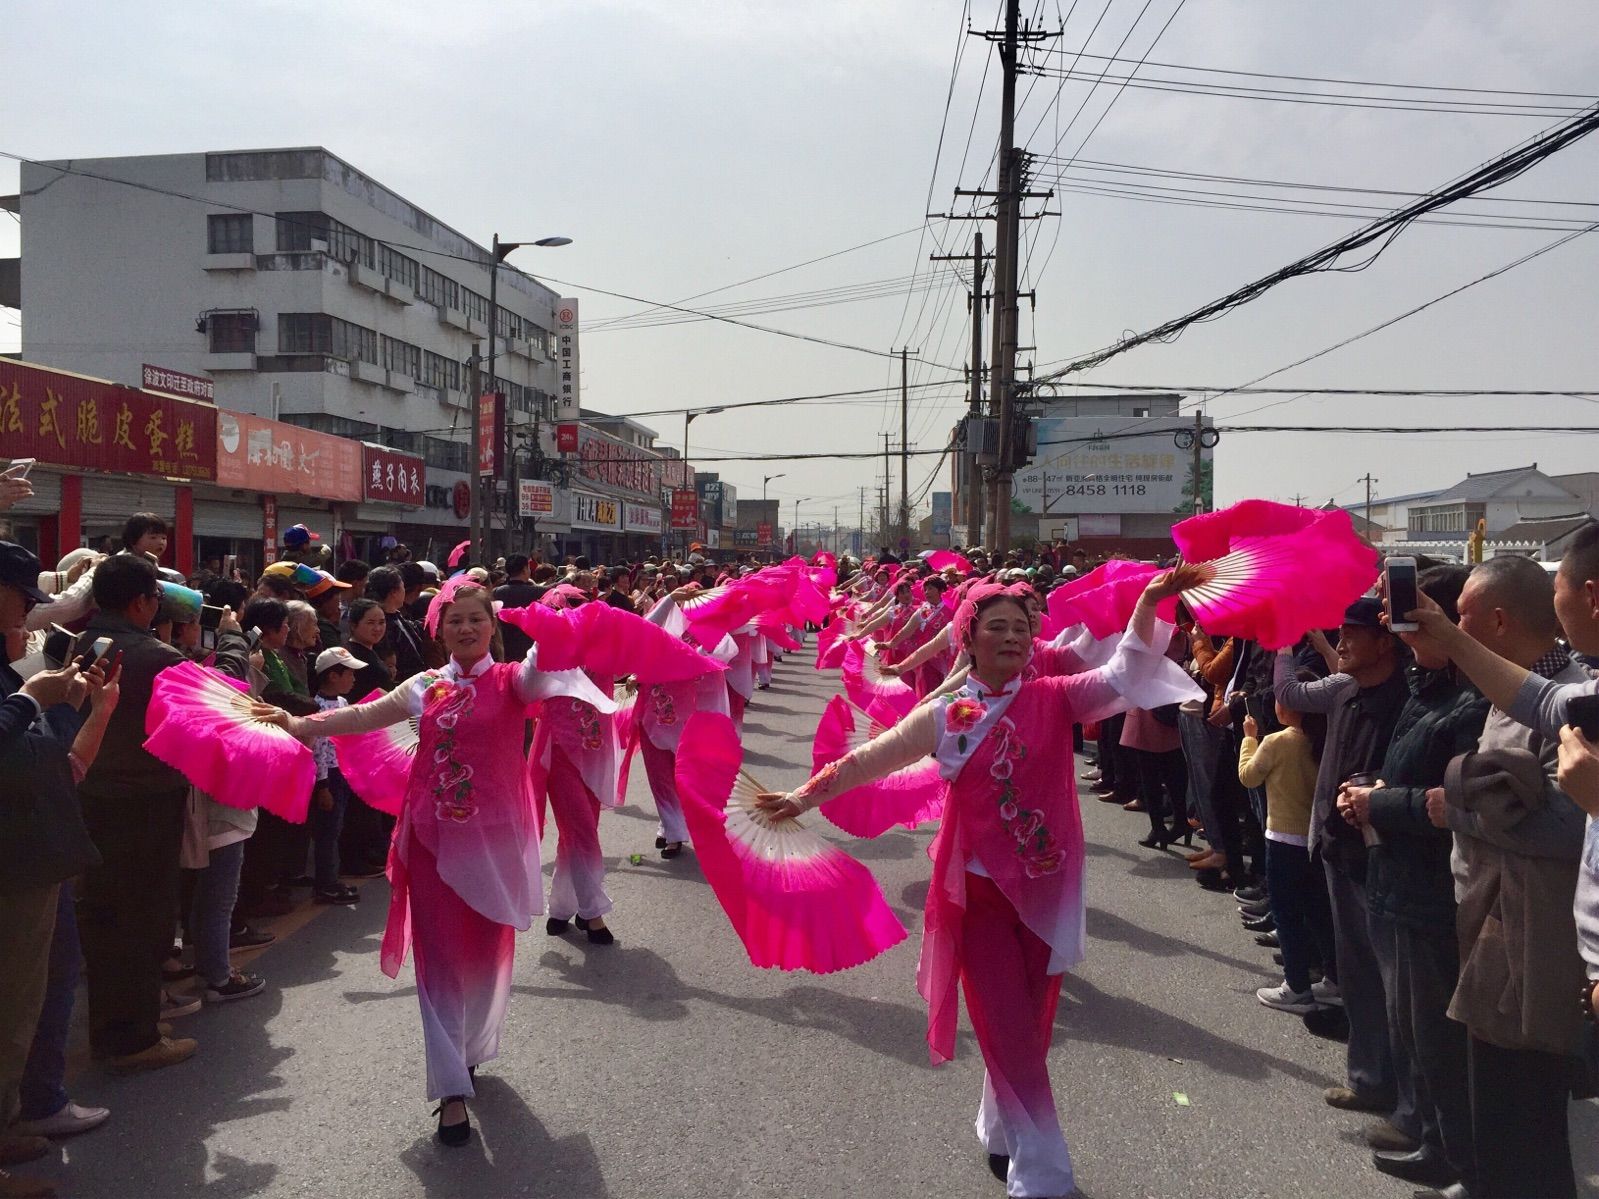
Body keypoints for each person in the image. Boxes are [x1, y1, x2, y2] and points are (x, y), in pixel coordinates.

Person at [758, 571, 1203, 1199]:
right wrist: (800, 798)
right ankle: (1044, 1176)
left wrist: (1152, 602)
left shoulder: (1054, 696)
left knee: (1030, 1026)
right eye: (997, 627)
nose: (1013, 638)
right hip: (979, 895)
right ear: (968, 638)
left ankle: (999, 1129)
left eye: (1022, 628)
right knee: (1007, 1023)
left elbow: (1125, 674)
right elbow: (869, 759)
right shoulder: (950, 712)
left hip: (1046, 892)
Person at [257, 580, 615, 1146]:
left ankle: (470, 1050)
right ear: (438, 632)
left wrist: (547, 623)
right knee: (440, 958)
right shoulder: (425, 686)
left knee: (487, 953)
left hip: (495, 845)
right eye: (455, 622)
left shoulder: (514, 682)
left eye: (476, 619)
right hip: (430, 840)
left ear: (492, 627)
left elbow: (546, 664)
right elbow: (362, 717)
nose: (466, 628)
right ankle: (450, 1089)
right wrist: (298, 724)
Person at [1400, 553, 1590, 1199]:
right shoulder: (1524, 687)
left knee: (1525, 1119)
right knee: (1496, 1105)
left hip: (1533, 931)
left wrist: (1455, 809)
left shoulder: (1576, 694)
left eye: (1460, 616)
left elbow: (1567, 826)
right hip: (1487, 911)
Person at [1333, 565, 1488, 1191]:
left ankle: (1451, 1148)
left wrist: (1384, 804)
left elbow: (1454, 803)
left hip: (1431, 886)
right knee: (1411, 1024)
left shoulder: (1475, 699)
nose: (1398, 624)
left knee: (1437, 1034)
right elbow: (1411, 780)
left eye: (1413, 611)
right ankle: (1429, 1135)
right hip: (1393, 872)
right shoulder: (1427, 688)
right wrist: (1374, 794)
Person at [1273, 598, 1416, 1153]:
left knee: (1396, 985)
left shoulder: (1407, 696)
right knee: (1357, 973)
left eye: (1353, 634)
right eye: (1340, 633)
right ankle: (1369, 1078)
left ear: (1387, 641)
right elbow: (1289, 695)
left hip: (1384, 856)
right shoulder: (1342, 689)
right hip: (1337, 847)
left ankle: (1409, 1103)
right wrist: (1286, 637)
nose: (1344, 642)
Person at [0, 543, 118, 1192]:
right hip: (14, 863)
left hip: (34, 854)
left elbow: (48, 759)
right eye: (25, 597)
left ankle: (21, 1112)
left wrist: (79, 703)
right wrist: (30, 695)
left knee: (31, 999)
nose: (32, 612)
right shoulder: (17, 673)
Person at [72, 555, 202, 1071]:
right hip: (146, 802)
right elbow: (196, 732)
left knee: (104, 916)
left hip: (91, 793)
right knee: (145, 919)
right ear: (141, 602)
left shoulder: (80, 645)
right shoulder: (159, 657)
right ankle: (134, 1037)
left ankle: (118, 1024)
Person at [1238, 679, 1333, 1013]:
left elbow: (1249, 776)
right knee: (1318, 910)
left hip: (1282, 838)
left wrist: (1249, 740)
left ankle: (1296, 985)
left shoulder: (1277, 741)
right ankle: (1333, 978)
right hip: (1314, 839)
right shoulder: (1325, 740)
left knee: (1286, 914)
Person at [307, 648, 361, 907]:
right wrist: (323, 785)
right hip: (327, 778)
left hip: (342, 774)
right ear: (332, 676)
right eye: (348, 673)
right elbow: (318, 751)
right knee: (327, 832)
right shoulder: (315, 708)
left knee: (336, 828)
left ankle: (332, 877)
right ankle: (325, 884)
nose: (353, 679)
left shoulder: (342, 704)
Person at [493, 556, 542, 662]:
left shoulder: (496, 592)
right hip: (528, 651)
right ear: (525, 569)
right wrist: (570, 576)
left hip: (504, 650)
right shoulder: (537, 592)